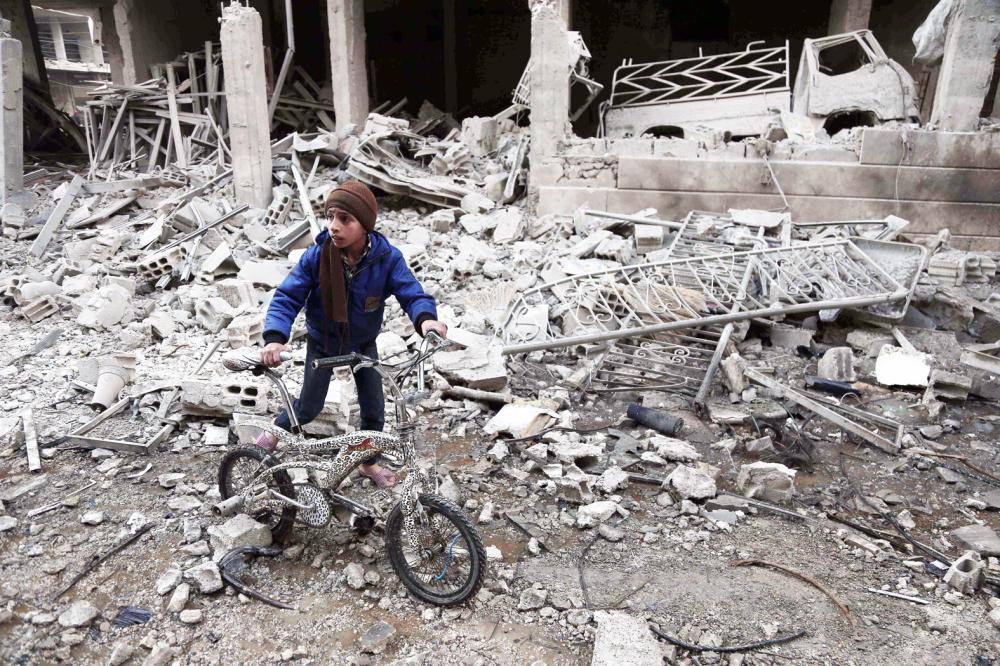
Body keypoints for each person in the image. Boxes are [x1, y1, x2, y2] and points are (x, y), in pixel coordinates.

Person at [257, 180, 448, 488]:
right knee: (308, 407)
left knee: (375, 413)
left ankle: (366, 464)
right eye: (330, 217)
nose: (334, 226)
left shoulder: (386, 258)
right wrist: (275, 337)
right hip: (324, 343)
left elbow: (411, 293)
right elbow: (287, 297)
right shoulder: (316, 256)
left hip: (362, 344)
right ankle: (271, 435)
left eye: (345, 219)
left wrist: (426, 320)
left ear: (365, 225)